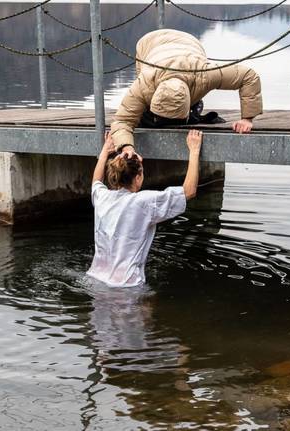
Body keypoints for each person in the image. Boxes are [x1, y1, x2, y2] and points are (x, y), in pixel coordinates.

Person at [110, 29, 262, 156]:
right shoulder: (143, 84)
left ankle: (192, 106)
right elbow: (122, 120)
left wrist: (247, 118)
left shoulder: (205, 74)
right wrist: (126, 147)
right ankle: (155, 112)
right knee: (141, 112)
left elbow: (248, 76)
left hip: (190, 44)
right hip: (148, 45)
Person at [86, 130, 203, 287]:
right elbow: (189, 191)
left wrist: (105, 151)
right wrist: (194, 151)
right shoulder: (144, 202)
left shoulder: (103, 198)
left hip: (96, 280)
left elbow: (96, 181)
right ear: (138, 177)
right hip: (127, 286)